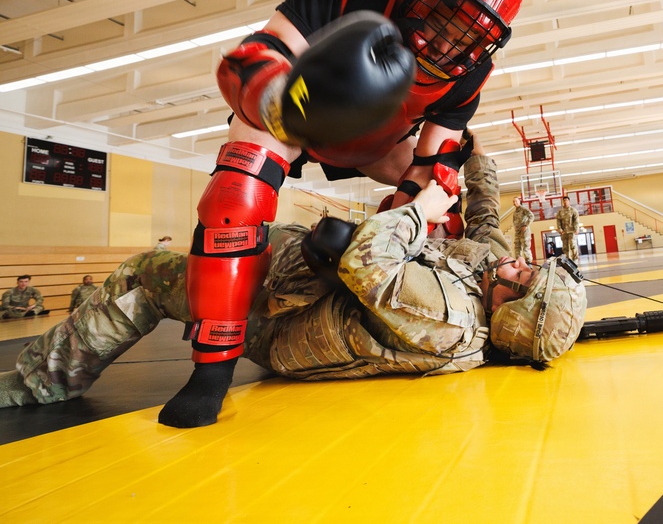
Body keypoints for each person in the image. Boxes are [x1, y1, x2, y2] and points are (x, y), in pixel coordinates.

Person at [168, 0, 523, 424]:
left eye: (463, 38)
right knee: (236, 192)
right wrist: (295, 101)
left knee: (442, 216)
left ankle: (359, 292)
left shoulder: (471, 72)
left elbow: (435, 163)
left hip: (379, 144)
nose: (444, 44)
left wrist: (410, 215)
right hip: (298, 119)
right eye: (443, 19)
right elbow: (249, 61)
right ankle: (210, 373)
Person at [0, 141, 588, 428]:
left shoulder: (453, 318)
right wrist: (473, 154)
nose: (516, 265)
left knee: (144, 276)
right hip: (301, 283)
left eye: (525, 276)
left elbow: (366, 263)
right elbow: (488, 223)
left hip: (279, 320)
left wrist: (425, 208)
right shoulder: (490, 276)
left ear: (513, 314)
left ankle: (37, 386)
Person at [555, 196, 580, 261]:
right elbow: (558, 221)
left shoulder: (573, 210)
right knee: (565, 247)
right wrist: (559, 229)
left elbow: (576, 220)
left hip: (572, 231)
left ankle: (575, 260)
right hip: (564, 232)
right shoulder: (560, 211)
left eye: (566, 200)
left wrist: (576, 229)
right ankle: (567, 261)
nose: (565, 202)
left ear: (569, 201)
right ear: (563, 202)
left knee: (573, 245)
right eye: (564, 200)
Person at [511, 196, 534, 261]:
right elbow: (514, 221)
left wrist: (526, 225)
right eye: (513, 201)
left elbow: (531, 216)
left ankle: (529, 263)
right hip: (517, 232)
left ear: (519, 201)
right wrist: (515, 227)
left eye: (516, 201)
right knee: (517, 247)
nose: (514, 203)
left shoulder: (524, 209)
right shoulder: (515, 212)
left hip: (525, 231)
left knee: (526, 247)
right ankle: (519, 261)